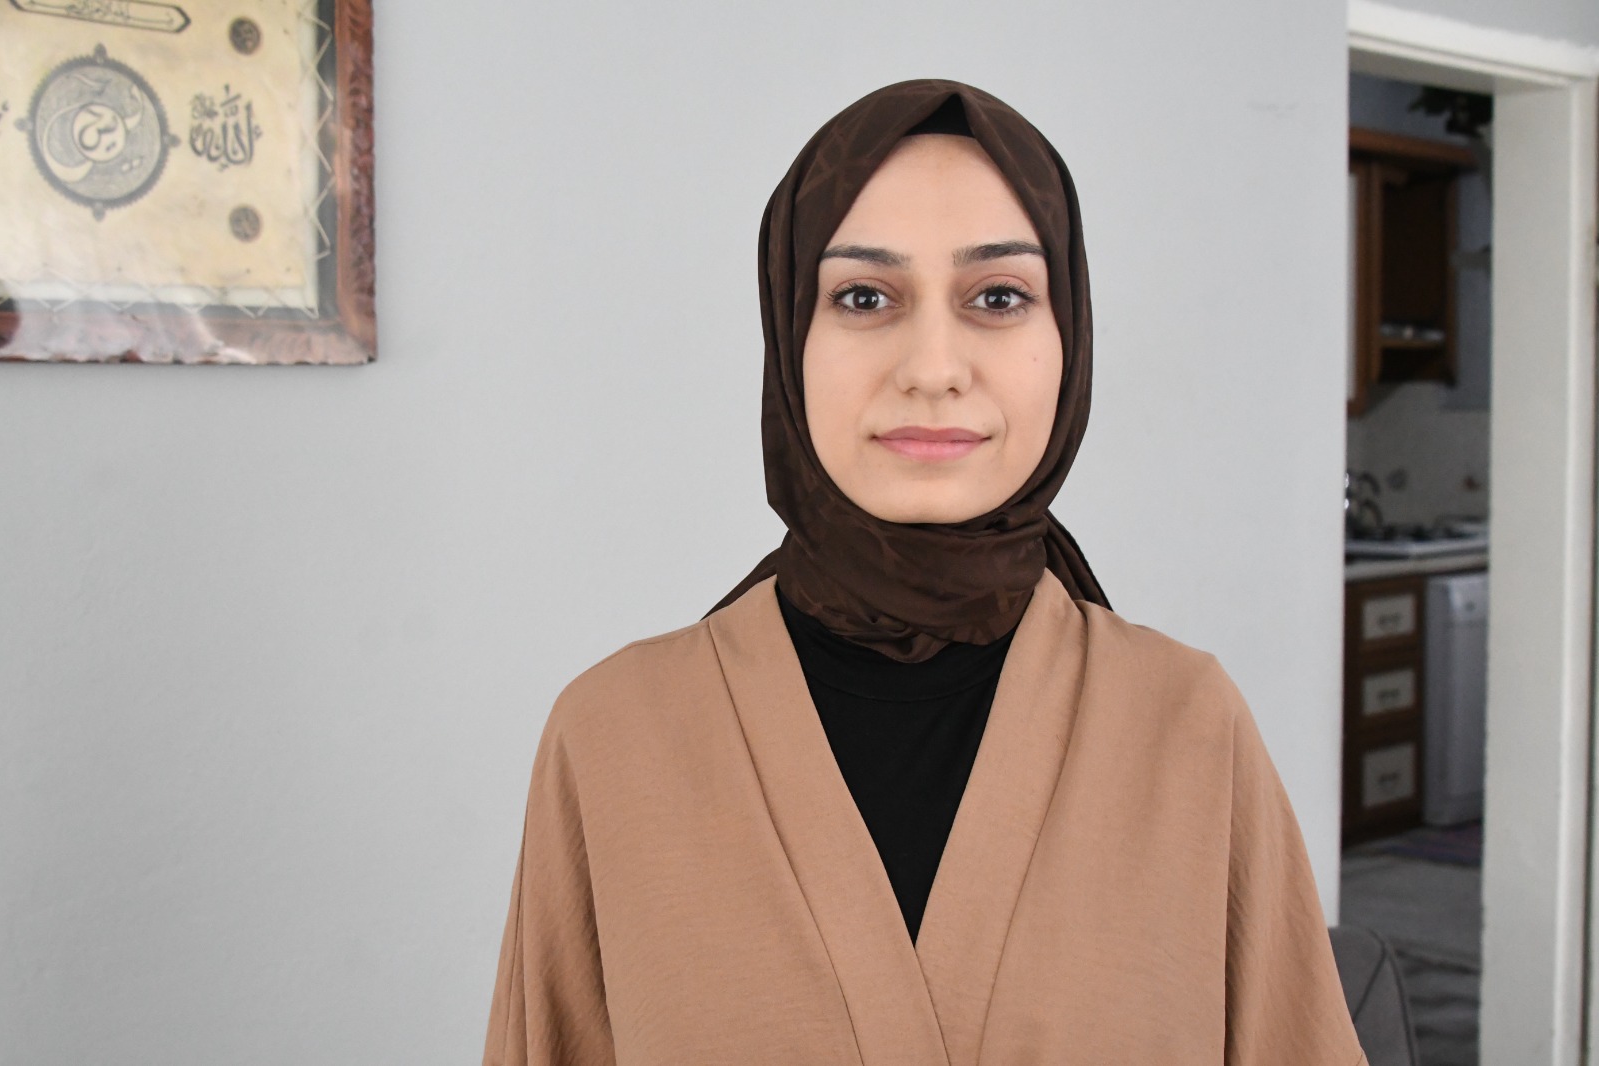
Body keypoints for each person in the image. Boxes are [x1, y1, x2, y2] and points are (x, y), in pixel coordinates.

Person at [482, 79, 1366, 1066]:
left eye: (999, 297)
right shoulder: (611, 738)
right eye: (864, 297)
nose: (933, 367)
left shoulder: (1190, 727)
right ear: (788, 334)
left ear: (1068, 336)